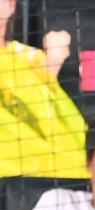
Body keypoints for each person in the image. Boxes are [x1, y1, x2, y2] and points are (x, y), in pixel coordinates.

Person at [0, 0, 88, 178]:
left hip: (45, 165)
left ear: (11, 5)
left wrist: (53, 62)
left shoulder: (31, 58)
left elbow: (40, 109)